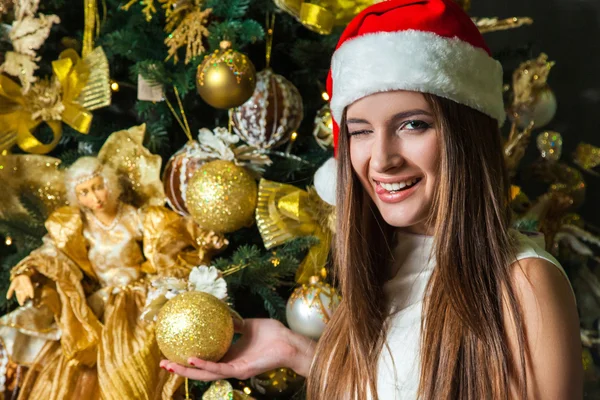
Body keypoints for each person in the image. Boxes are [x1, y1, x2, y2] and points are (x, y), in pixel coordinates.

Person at [161, 0, 583, 398]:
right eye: (360, 130)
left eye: (413, 124)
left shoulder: (525, 284)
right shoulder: (384, 267)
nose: (381, 159)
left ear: (465, 136)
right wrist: (297, 351)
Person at [2, 155, 227, 399]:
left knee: (138, 357)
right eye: (85, 192)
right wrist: (25, 272)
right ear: (77, 197)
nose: (95, 197)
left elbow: (168, 233)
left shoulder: (131, 217)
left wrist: (202, 237)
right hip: (102, 303)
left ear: (109, 184)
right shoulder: (79, 226)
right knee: (89, 365)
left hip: (137, 296)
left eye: (98, 187)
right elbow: (51, 251)